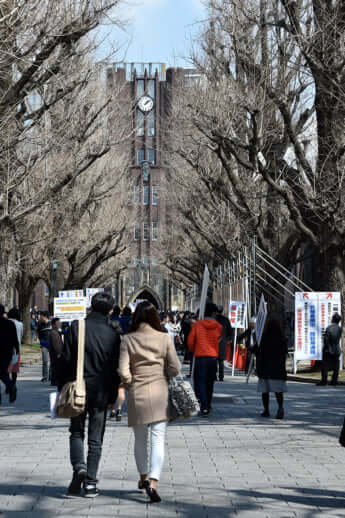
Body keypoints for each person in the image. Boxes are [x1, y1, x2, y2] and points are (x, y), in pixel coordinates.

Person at [57, 292, 121, 498]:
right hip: (101, 392)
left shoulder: (77, 326)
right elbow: (114, 369)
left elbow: (65, 360)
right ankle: (91, 483)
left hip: (78, 388)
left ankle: (79, 468)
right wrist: (113, 397)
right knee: (96, 438)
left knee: (76, 432)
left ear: (91, 306)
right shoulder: (113, 333)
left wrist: (62, 387)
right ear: (110, 310)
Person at [118, 301, 180, 503]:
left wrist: (128, 382)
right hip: (160, 390)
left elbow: (123, 370)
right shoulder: (164, 338)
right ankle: (153, 482)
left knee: (140, 439)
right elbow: (175, 367)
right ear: (155, 317)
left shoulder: (128, 339)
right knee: (158, 439)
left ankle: (143, 477)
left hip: (138, 391)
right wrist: (166, 375)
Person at [187, 302, 223, 417]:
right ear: (213, 313)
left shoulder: (197, 325)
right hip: (212, 357)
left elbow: (190, 341)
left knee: (201, 382)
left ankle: (204, 406)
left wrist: (194, 349)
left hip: (200, 357)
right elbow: (218, 339)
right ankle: (208, 404)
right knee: (210, 382)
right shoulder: (218, 326)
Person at [255, 317, 288, 419]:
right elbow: (285, 353)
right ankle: (280, 407)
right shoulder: (283, 339)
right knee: (278, 391)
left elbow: (257, 351)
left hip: (265, 369)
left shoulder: (264, 337)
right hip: (278, 370)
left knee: (265, 391)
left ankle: (266, 410)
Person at [317, 313, 342, 386]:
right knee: (336, 366)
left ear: (333, 319)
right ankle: (334, 381)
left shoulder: (329, 328)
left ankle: (324, 381)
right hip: (337, 349)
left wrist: (327, 348)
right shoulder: (339, 329)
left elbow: (326, 340)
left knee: (325, 366)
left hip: (328, 350)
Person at [0, 304, 18, 404]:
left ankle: (10, 385)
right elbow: (15, 338)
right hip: (7, 352)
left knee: (2, 373)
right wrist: (17, 349)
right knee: (3, 372)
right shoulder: (10, 323)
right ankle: (11, 386)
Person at [216, 306, 233, 381]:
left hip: (213, 342)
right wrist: (228, 339)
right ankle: (221, 376)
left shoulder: (214, 319)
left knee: (214, 360)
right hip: (222, 342)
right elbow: (230, 331)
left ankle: (213, 375)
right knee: (221, 361)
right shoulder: (226, 320)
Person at [7, 308, 23, 384]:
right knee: (14, 368)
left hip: (6, 347)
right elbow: (21, 335)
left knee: (6, 366)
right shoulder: (20, 324)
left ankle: (7, 384)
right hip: (16, 348)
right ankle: (13, 383)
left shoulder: (6, 322)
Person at [49, 317, 64, 386]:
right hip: (55, 353)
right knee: (55, 367)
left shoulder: (57, 332)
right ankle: (54, 380)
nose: (59, 324)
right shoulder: (53, 333)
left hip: (57, 353)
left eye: (59, 323)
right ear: (53, 324)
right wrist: (59, 353)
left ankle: (55, 380)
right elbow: (55, 344)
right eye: (58, 323)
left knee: (56, 367)